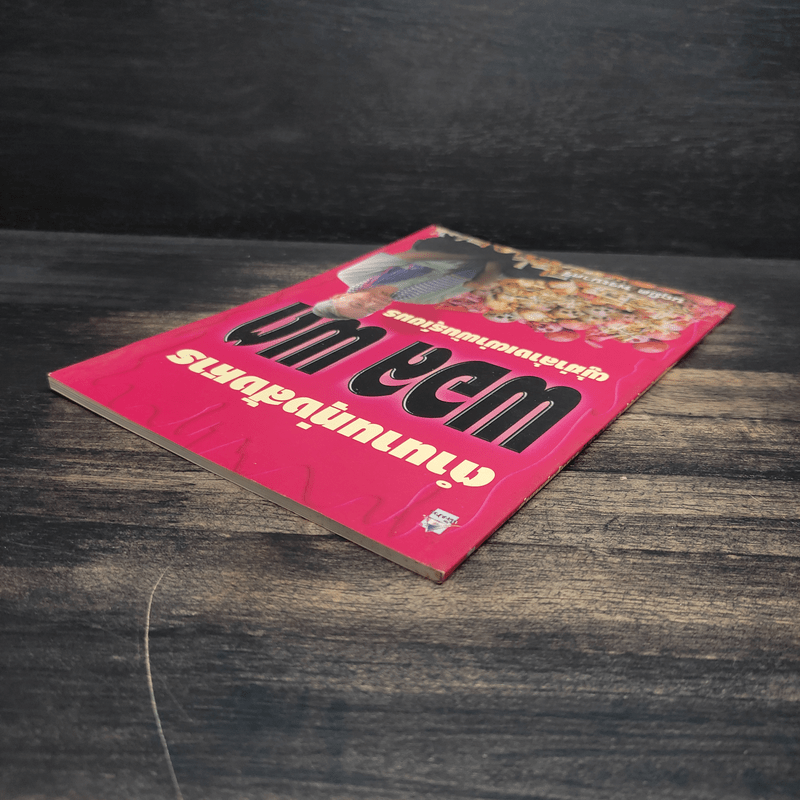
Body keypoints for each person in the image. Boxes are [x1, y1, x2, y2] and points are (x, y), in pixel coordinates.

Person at [312, 235, 512, 320]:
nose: (373, 304)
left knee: (430, 246)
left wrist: (472, 256)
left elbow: (412, 256)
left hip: (442, 252)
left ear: (340, 296)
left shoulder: (351, 274)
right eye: (371, 310)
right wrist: (494, 262)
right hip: (480, 265)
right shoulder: (422, 299)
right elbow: (475, 283)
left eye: (358, 303)